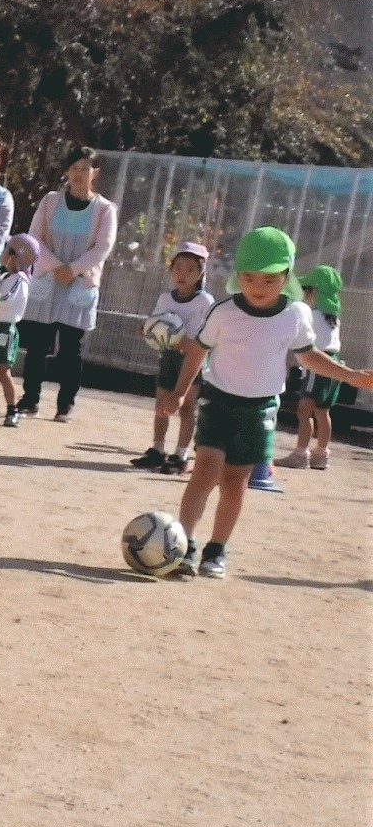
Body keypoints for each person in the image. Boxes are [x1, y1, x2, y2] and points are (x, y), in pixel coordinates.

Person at [169, 229, 370, 579]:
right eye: (248, 277)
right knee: (204, 472)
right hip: (218, 402)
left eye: (269, 278)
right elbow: (198, 350)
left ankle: (216, 550)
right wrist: (179, 391)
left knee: (235, 481)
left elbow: (309, 357)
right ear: (237, 276)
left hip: (259, 409)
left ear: (287, 276)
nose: (257, 286)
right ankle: (185, 545)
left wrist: (350, 375)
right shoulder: (223, 312)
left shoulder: (295, 315)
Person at [19, 147, 118, 421]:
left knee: (71, 349)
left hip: (80, 284)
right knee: (38, 344)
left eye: (85, 168)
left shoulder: (105, 210)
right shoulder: (50, 201)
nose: (78, 174)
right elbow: (35, 237)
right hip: (47, 280)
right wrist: (55, 267)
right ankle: (29, 399)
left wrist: (73, 270)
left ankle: (66, 404)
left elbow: (103, 248)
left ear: (94, 173)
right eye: (74, 167)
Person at [129, 243, 214, 474]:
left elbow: (199, 342)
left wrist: (177, 339)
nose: (182, 274)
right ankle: (157, 450)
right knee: (161, 406)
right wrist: (146, 329)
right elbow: (155, 323)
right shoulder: (166, 298)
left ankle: (180, 455)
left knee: (187, 408)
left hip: (191, 363)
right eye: (178, 268)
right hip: (168, 359)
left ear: (200, 274)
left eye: (190, 270)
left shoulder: (204, 302)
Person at [283, 266, 345, 471]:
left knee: (304, 410)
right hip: (334, 362)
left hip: (318, 364)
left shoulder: (313, 314)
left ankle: (300, 454)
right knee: (322, 412)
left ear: (315, 291)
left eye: (306, 289)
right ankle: (321, 454)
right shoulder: (332, 316)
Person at [0, 234, 39, 427]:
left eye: (6, 248)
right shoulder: (6, 275)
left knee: (2, 371)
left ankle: (12, 409)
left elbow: (4, 298)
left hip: (5, 331)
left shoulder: (19, 279)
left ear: (14, 256)